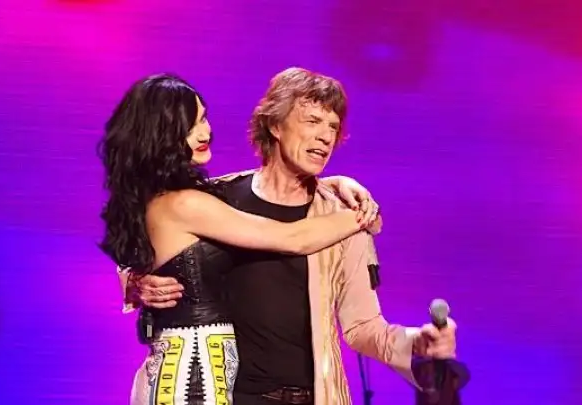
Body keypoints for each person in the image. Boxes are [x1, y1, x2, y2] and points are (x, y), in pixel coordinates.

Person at [126, 67, 458, 405]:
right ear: (275, 124)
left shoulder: (341, 217)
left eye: (333, 126)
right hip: (225, 396)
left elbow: (363, 327)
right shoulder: (218, 198)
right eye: (313, 121)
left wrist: (416, 343)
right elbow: (151, 233)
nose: (326, 136)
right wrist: (135, 282)